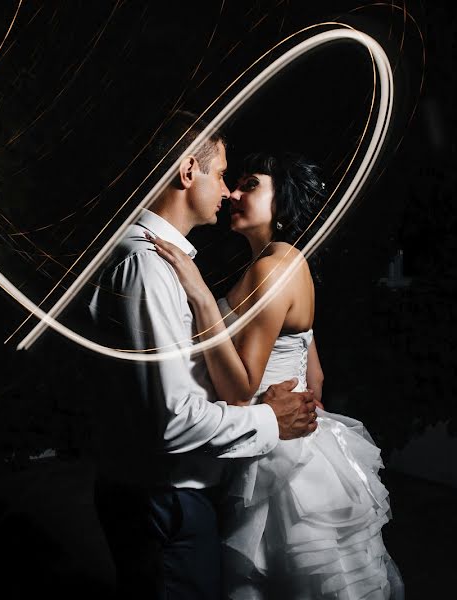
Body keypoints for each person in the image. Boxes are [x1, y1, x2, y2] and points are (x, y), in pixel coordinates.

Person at [85, 113, 319, 600]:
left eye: (245, 184)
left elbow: (306, 373)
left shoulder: (189, 264)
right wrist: (270, 418)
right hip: (164, 494)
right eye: (222, 175)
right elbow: (173, 421)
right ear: (188, 172)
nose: (228, 190)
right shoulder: (148, 265)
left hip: (197, 486)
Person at [151, 152, 404, 598]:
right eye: (237, 183)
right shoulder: (290, 262)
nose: (233, 193)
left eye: (250, 185)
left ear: (281, 202)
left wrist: (202, 300)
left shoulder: (270, 268)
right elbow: (316, 372)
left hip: (278, 463)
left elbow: (241, 388)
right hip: (302, 445)